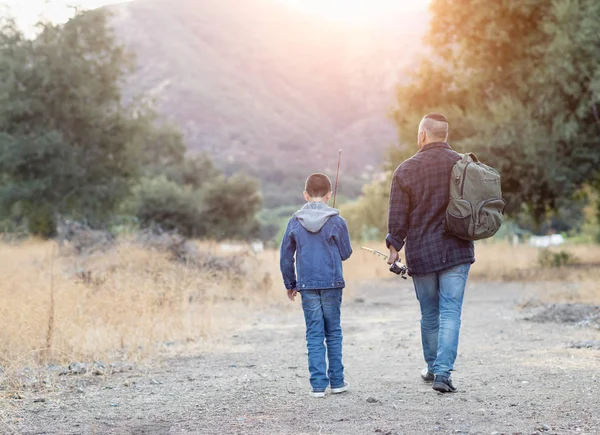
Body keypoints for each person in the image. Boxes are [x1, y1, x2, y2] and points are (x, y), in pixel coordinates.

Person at [386, 113, 475, 393]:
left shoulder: (406, 170)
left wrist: (393, 249)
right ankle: (443, 374)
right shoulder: (465, 165)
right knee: (451, 312)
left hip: (422, 252)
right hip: (457, 249)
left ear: (423, 134)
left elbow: (398, 217)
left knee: (429, 314)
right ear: (445, 135)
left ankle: (433, 366)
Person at [280, 173, 353, 398]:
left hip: (307, 285)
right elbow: (346, 253)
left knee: (314, 333)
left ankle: (318, 386)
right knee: (333, 332)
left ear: (305, 195)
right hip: (332, 283)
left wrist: (290, 284)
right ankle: (338, 382)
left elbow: (285, 257)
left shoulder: (294, 221)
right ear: (330, 195)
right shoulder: (337, 221)